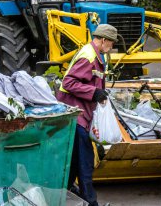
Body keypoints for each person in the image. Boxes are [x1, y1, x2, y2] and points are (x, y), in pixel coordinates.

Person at [57, 24, 118, 206]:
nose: (112, 47)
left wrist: (97, 93)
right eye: (111, 43)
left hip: (78, 112)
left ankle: (63, 192)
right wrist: (94, 93)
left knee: (76, 160)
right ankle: (91, 202)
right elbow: (68, 83)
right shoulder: (89, 56)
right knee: (85, 162)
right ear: (104, 40)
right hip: (74, 113)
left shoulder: (95, 54)